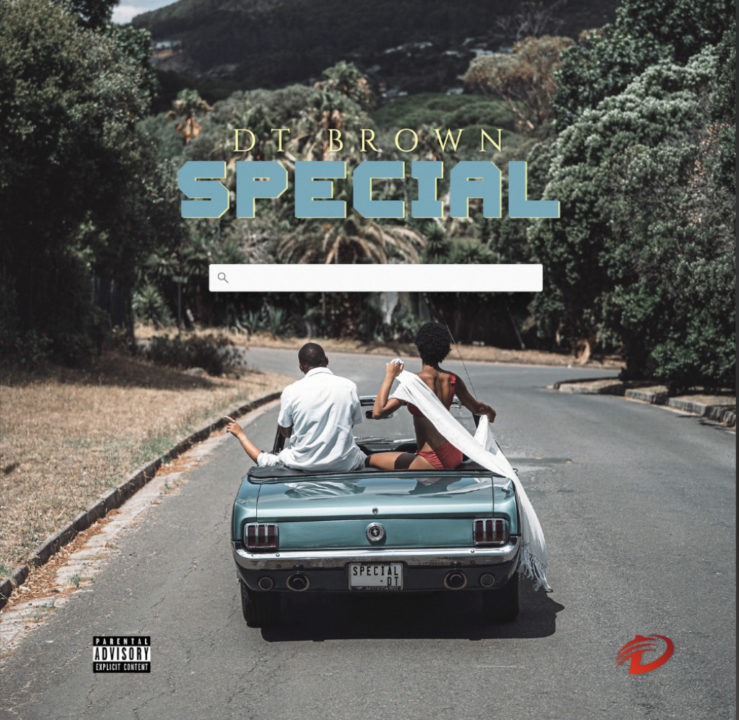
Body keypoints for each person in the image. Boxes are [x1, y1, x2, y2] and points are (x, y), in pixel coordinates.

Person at [368, 322, 496, 471]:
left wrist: (390, 375)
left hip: (432, 461)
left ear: (419, 348)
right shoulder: (452, 379)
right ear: (445, 350)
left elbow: (378, 412)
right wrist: (491, 413)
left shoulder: (413, 383)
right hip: (454, 453)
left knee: (369, 459)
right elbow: (477, 408)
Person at [226, 342, 366, 472]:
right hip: (345, 463)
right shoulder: (349, 387)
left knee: (267, 460)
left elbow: (284, 434)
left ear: (301, 367)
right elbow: (350, 424)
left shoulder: (291, 391)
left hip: (301, 464)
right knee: (367, 459)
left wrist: (240, 434)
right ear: (326, 360)